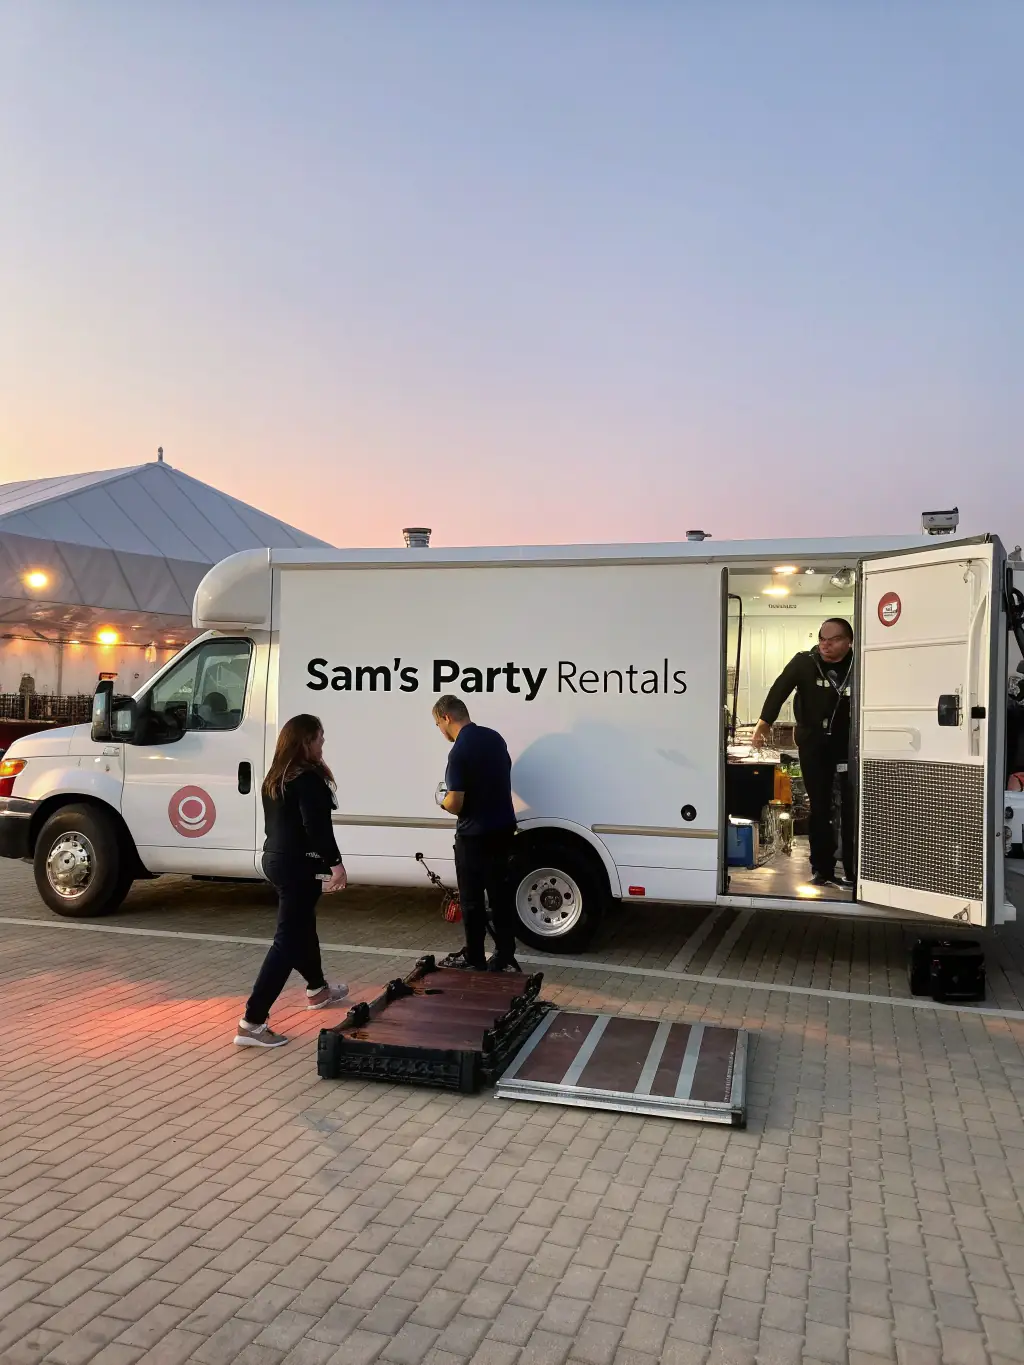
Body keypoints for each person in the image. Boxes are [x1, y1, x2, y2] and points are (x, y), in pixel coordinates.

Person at [234, 714, 349, 1048]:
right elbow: (317, 827)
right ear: (305, 741)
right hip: (299, 865)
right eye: (319, 738)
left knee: (302, 927)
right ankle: (252, 1022)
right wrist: (336, 864)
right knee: (287, 941)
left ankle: (318, 990)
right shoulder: (308, 779)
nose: (323, 743)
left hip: (276, 859)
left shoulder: (276, 777)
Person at [751, 618, 855, 888]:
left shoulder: (859, 664)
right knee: (820, 806)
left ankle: (854, 871)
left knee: (852, 807)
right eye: (822, 639)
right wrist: (764, 724)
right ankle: (822, 869)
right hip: (813, 744)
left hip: (849, 745)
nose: (825, 645)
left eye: (833, 640)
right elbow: (779, 690)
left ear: (848, 641)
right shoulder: (804, 662)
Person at [432, 695, 520, 972]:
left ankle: (475, 957)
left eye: (438, 724)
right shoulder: (495, 738)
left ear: (446, 717)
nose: (440, 730)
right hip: (503, 830)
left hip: (474, 836)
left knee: (471, 900)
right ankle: (504, 954)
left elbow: (456, 802)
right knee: (500, 896)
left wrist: (442, 802)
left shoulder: (459, 750)